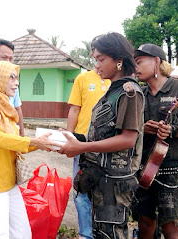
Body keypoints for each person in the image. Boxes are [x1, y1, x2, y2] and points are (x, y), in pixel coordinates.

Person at [59, 32, 144, 239]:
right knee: (101, 232)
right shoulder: (112, 91)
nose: (96, 65)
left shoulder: (128, 92)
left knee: (112, 234)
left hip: (115, 181)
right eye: (96, 59)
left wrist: (82, 148)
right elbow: (103, 134)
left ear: (119, 61)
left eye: (101, 59)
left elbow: (127, 139)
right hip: (101, 178)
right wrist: (74, 139)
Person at [0, 61, 60, 238]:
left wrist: (43, 142)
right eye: (11, 77)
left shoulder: (5, 107)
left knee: (21, 233)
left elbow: (15, 143)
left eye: (17, 78)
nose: (16, 82)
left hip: (9, 182)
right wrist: (33, 141)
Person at [132, 43, 178, 239]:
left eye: (139, 62)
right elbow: (130, 131)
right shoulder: (140, 94)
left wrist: (172, 130)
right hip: (145, 168)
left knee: (171, 228)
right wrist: (142, 129)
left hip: (172, 170)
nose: (135, 67)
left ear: (156, 61)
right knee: (145, 223)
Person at [67, 67, 111, 239]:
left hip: (108, 146)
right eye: (96, 54)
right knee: (81, 190)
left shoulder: (117, 80)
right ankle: (85, 234)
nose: (99, 60)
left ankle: (103, 233)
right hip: (82, 143)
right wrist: (69, 138)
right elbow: (74, 110)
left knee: (105, 192)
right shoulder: (83, 78)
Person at [0, 39, 25, 136]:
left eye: (11, 59)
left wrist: (22, 134)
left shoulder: (12, 83)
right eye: (4, 58)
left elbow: (17, 108)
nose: (8, 62)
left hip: (11, 135)